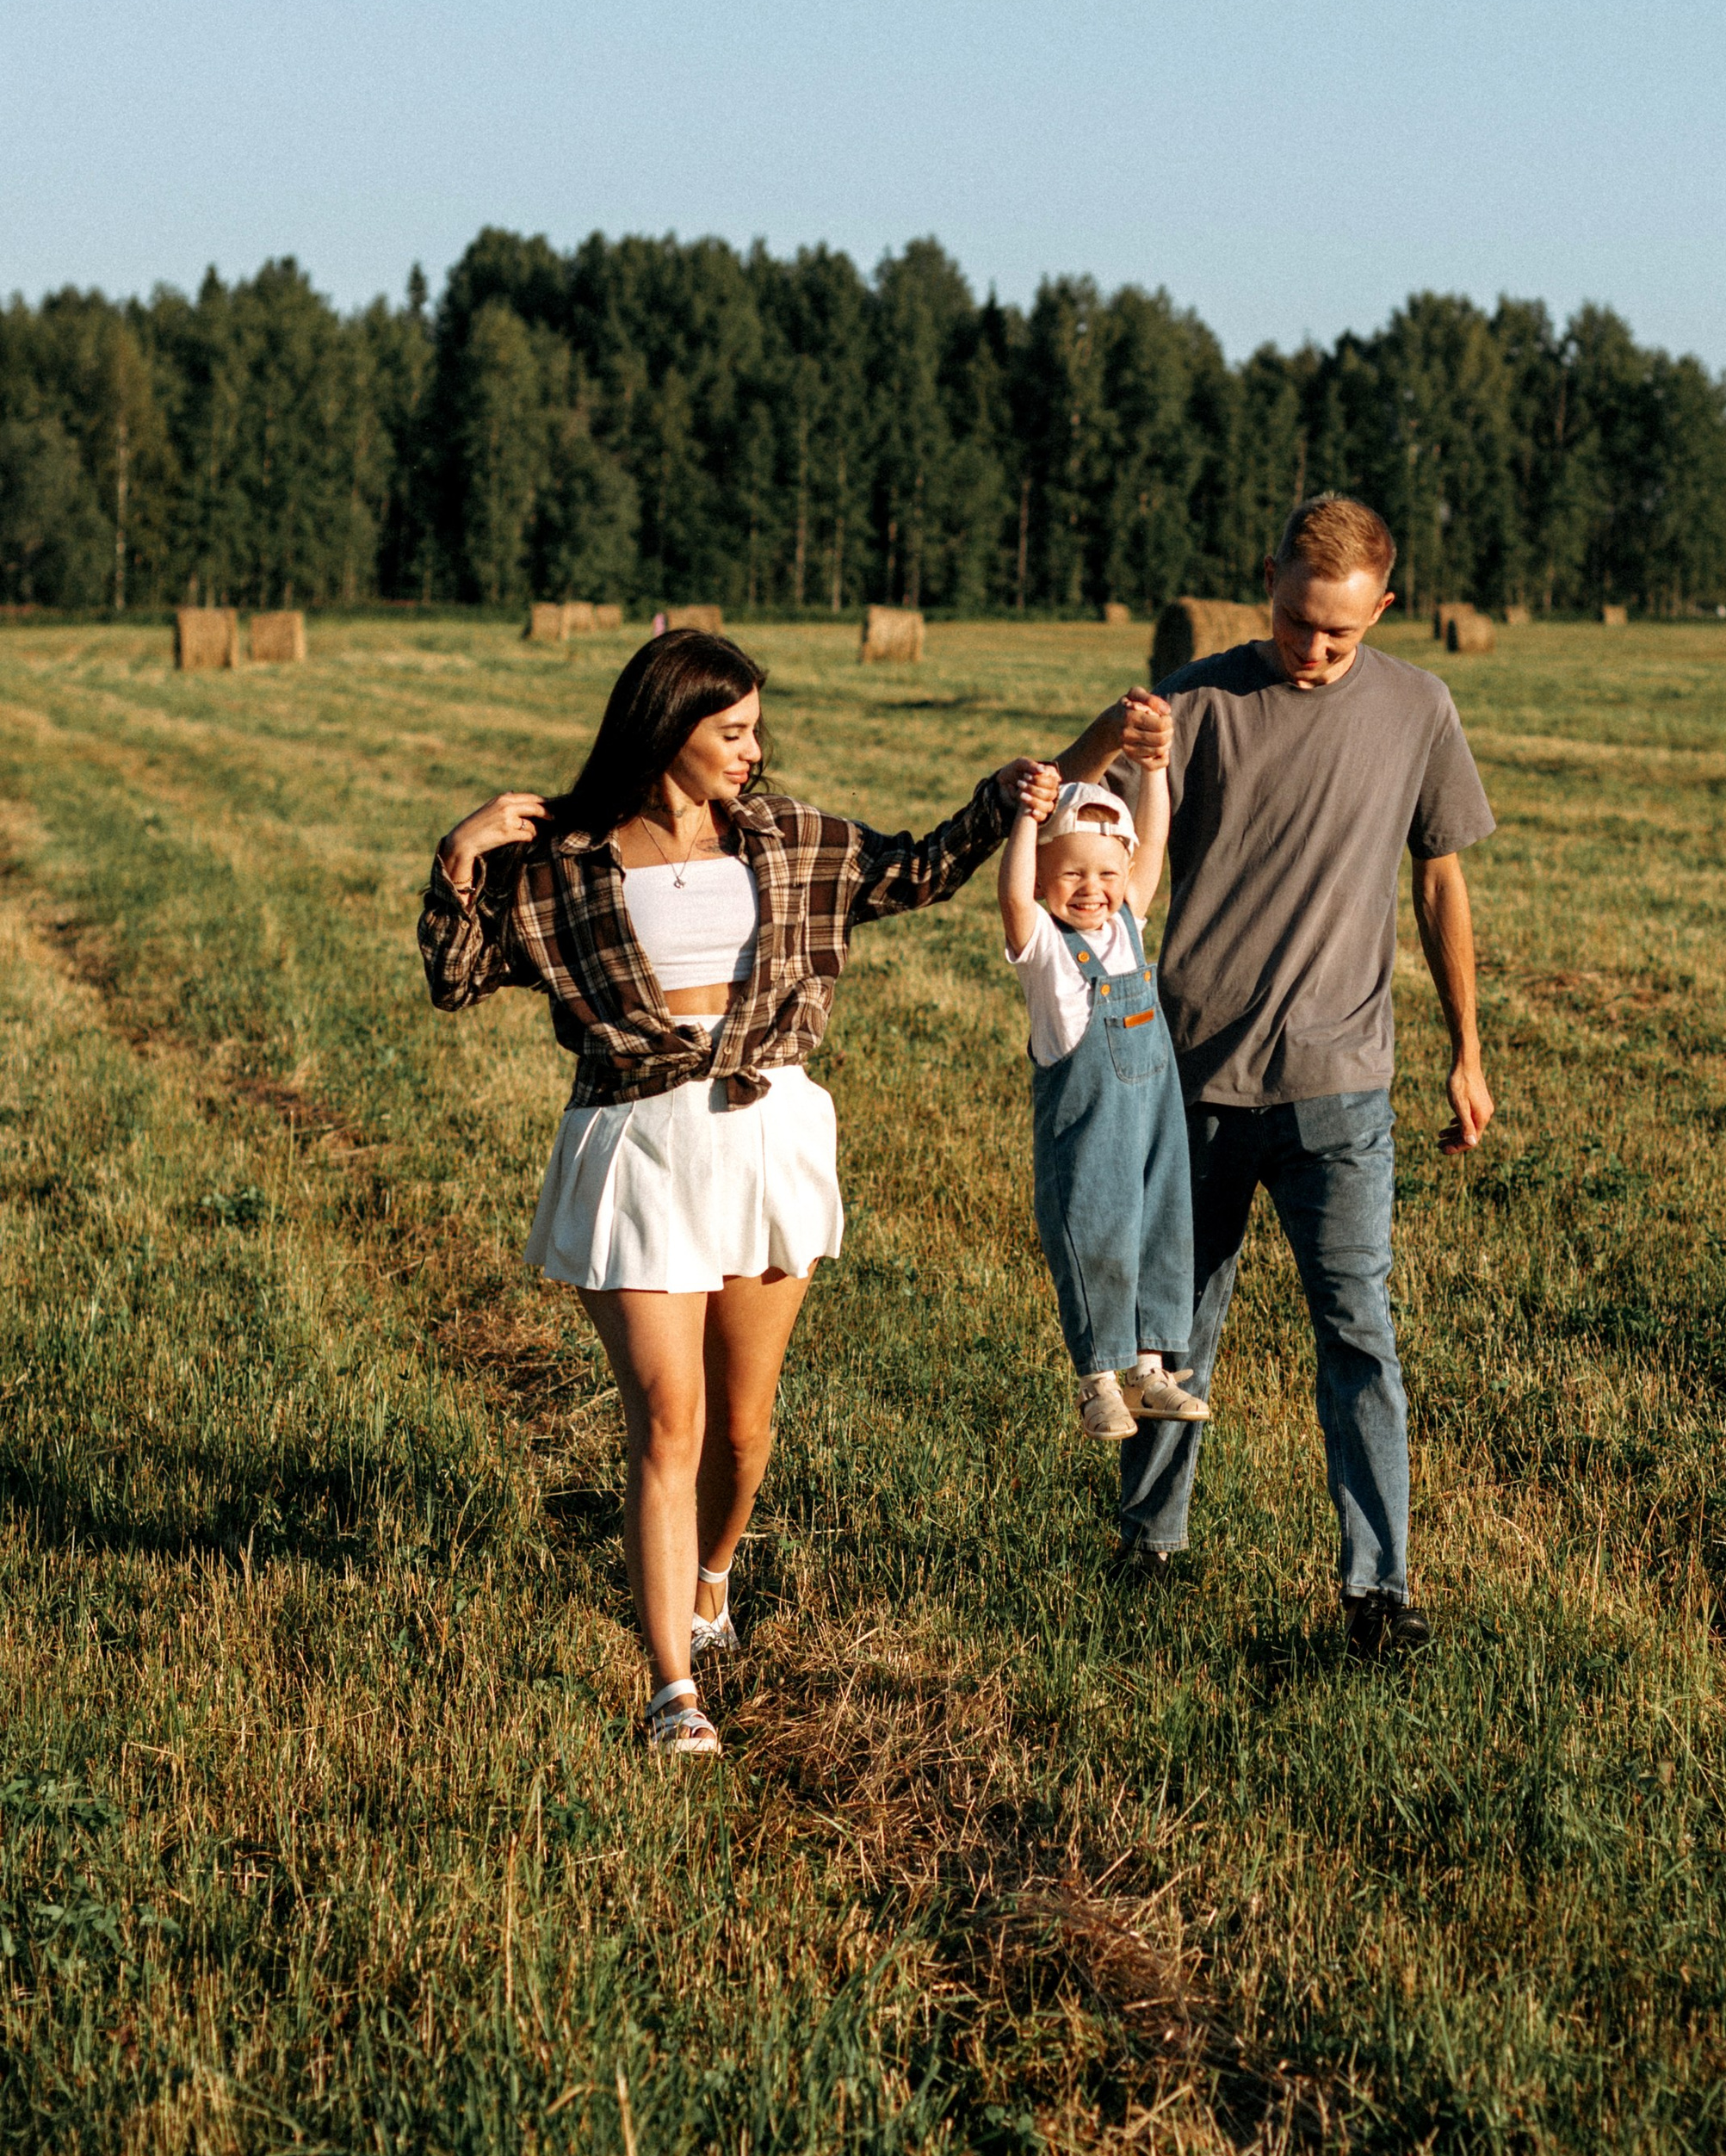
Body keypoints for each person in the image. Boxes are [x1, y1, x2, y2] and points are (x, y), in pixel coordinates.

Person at [419, 627, 1036, 1756]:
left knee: (742, 1432)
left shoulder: (788, 836)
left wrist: (1001, 799)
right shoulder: (567, 857)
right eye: (733, 731)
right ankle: (674, 1691)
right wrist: (462, 853)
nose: (756, 750)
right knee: (668, 1422)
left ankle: (714, 1572)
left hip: (762, 1135)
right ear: (670, 733)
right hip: (635, 1140)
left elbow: (912, 871)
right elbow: (456, 980)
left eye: (756, 728)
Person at [1055, 494, 1496, 1658]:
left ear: (1382, 611)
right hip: (1186, 1082)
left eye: (1340, 635)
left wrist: (1467, 1047)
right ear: (1270, 583)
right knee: (1170, 1336)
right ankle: (1149, 1547)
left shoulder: (1418, 708)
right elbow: (1066, 812)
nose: (1313, 651)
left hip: (1339, 1087)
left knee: (1358, 1332)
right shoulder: (1198, 699)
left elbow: (1441, 882)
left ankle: (1379, 1593)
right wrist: (1114, 734)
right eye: (1299, 622)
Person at [999, 763, 1210, 1441]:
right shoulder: (1043, 949)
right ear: (1039, 880)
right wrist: (1027, 819)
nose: (1095, 890)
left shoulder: (1128, 927)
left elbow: (1149, 842)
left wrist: (1153, 771)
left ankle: (1152, 1372)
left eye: (1108, 875)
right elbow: (1011, 896)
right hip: (1087, 1126)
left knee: (1160, 1230)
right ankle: (1098, 1382)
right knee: (1098, 1236)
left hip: (1154, 1120)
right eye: (1072, 876)